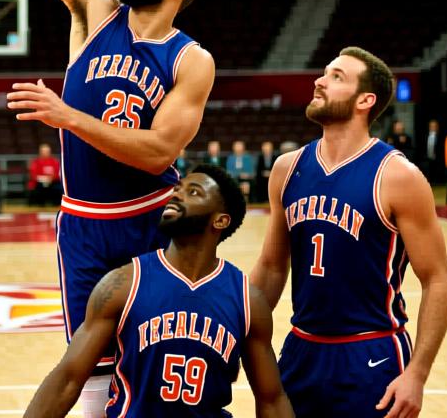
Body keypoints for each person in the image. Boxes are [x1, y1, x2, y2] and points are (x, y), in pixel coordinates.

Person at [0, 0, 214, 418]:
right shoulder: (96, 9)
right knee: (88, 369)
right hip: (83, 223)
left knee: (158, 369)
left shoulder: (191, 59)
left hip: (154, 220)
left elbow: (158, 153)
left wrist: (67, 114)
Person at [251, 47, 447, 418]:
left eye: (336, 77)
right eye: (325, 73)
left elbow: (436, 279)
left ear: (365, 100)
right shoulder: (286, 168)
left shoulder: (397, 176)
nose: (319, 81)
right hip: (301, 349)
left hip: (370, 353)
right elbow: (271, 266)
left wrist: (418, 374)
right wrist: (238, 330)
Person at [22, 165, 292, 418]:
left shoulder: (247, 300)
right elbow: (67, 379)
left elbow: (271, 399)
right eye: (177, 189)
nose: (176, 195)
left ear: (220, 220)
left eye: (193, 192)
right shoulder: (122, 283)